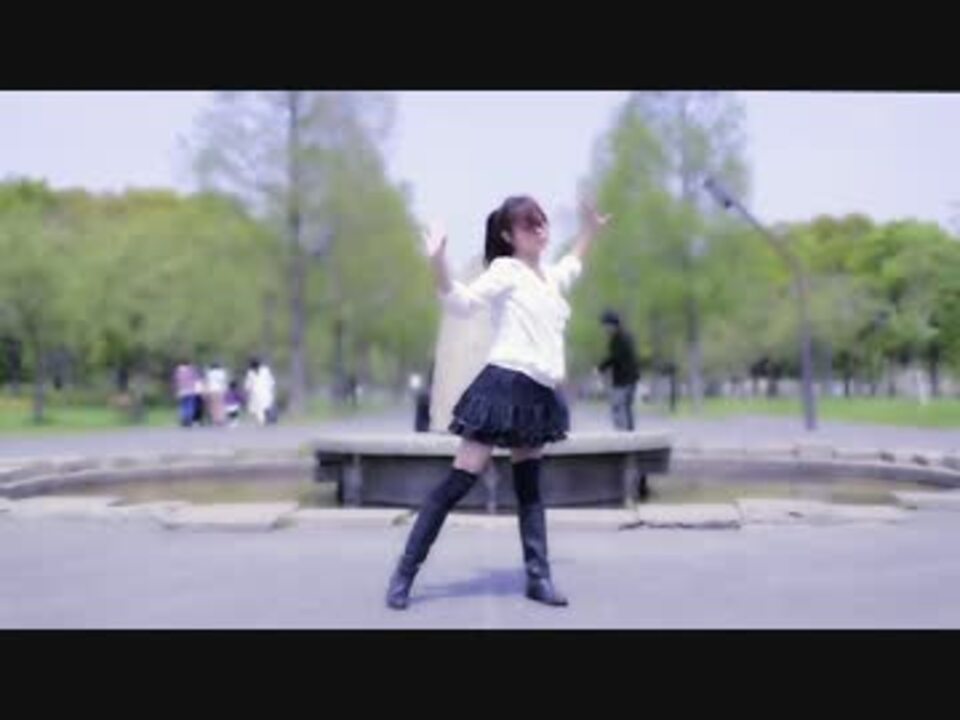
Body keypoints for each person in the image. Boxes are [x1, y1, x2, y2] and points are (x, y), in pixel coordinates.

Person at [385, 195, 610, 610]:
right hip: (503, 384)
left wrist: (590, 231)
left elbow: (573, 263)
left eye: (542, 223)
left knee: (530, 488)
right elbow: (462, 302)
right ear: (508, 235)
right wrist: (438, 260)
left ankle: (538, 578)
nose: (540, 231)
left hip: (538, 392)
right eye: (529, 225)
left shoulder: (550, 277)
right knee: (460, 479)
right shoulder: (506, 271)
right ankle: (405, 572)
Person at [597, 310, 640, 431]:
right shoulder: (623, 337)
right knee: (625, 407)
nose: (604, 329)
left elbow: (616, 358)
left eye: (606, 325)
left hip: (624, 379)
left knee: (619, 406)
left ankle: (623, 433)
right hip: (628, 378)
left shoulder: (620, 339)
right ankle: (628, 433)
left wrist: (601, 367)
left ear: (612, 324)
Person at [244, 357, 276, 426]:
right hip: (256, 393)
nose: (255, 368)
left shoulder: (265, 370)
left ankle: (265, 419)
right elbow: (248, 383)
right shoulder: (250, 373)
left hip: (265, 391)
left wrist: (271, 387)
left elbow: (271, 380)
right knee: (258, 408)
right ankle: (262, 421)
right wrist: (248, 390)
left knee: (265, 406)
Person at [205, 362, 229, 426]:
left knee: (213, 406)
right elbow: (223, 382)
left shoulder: (209, 373)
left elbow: (207, 382)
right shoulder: (222, 372)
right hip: (220, 390)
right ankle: (221, 419)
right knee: (220, 405)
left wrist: (206, 391)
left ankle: (215, 420)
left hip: (212, 390)